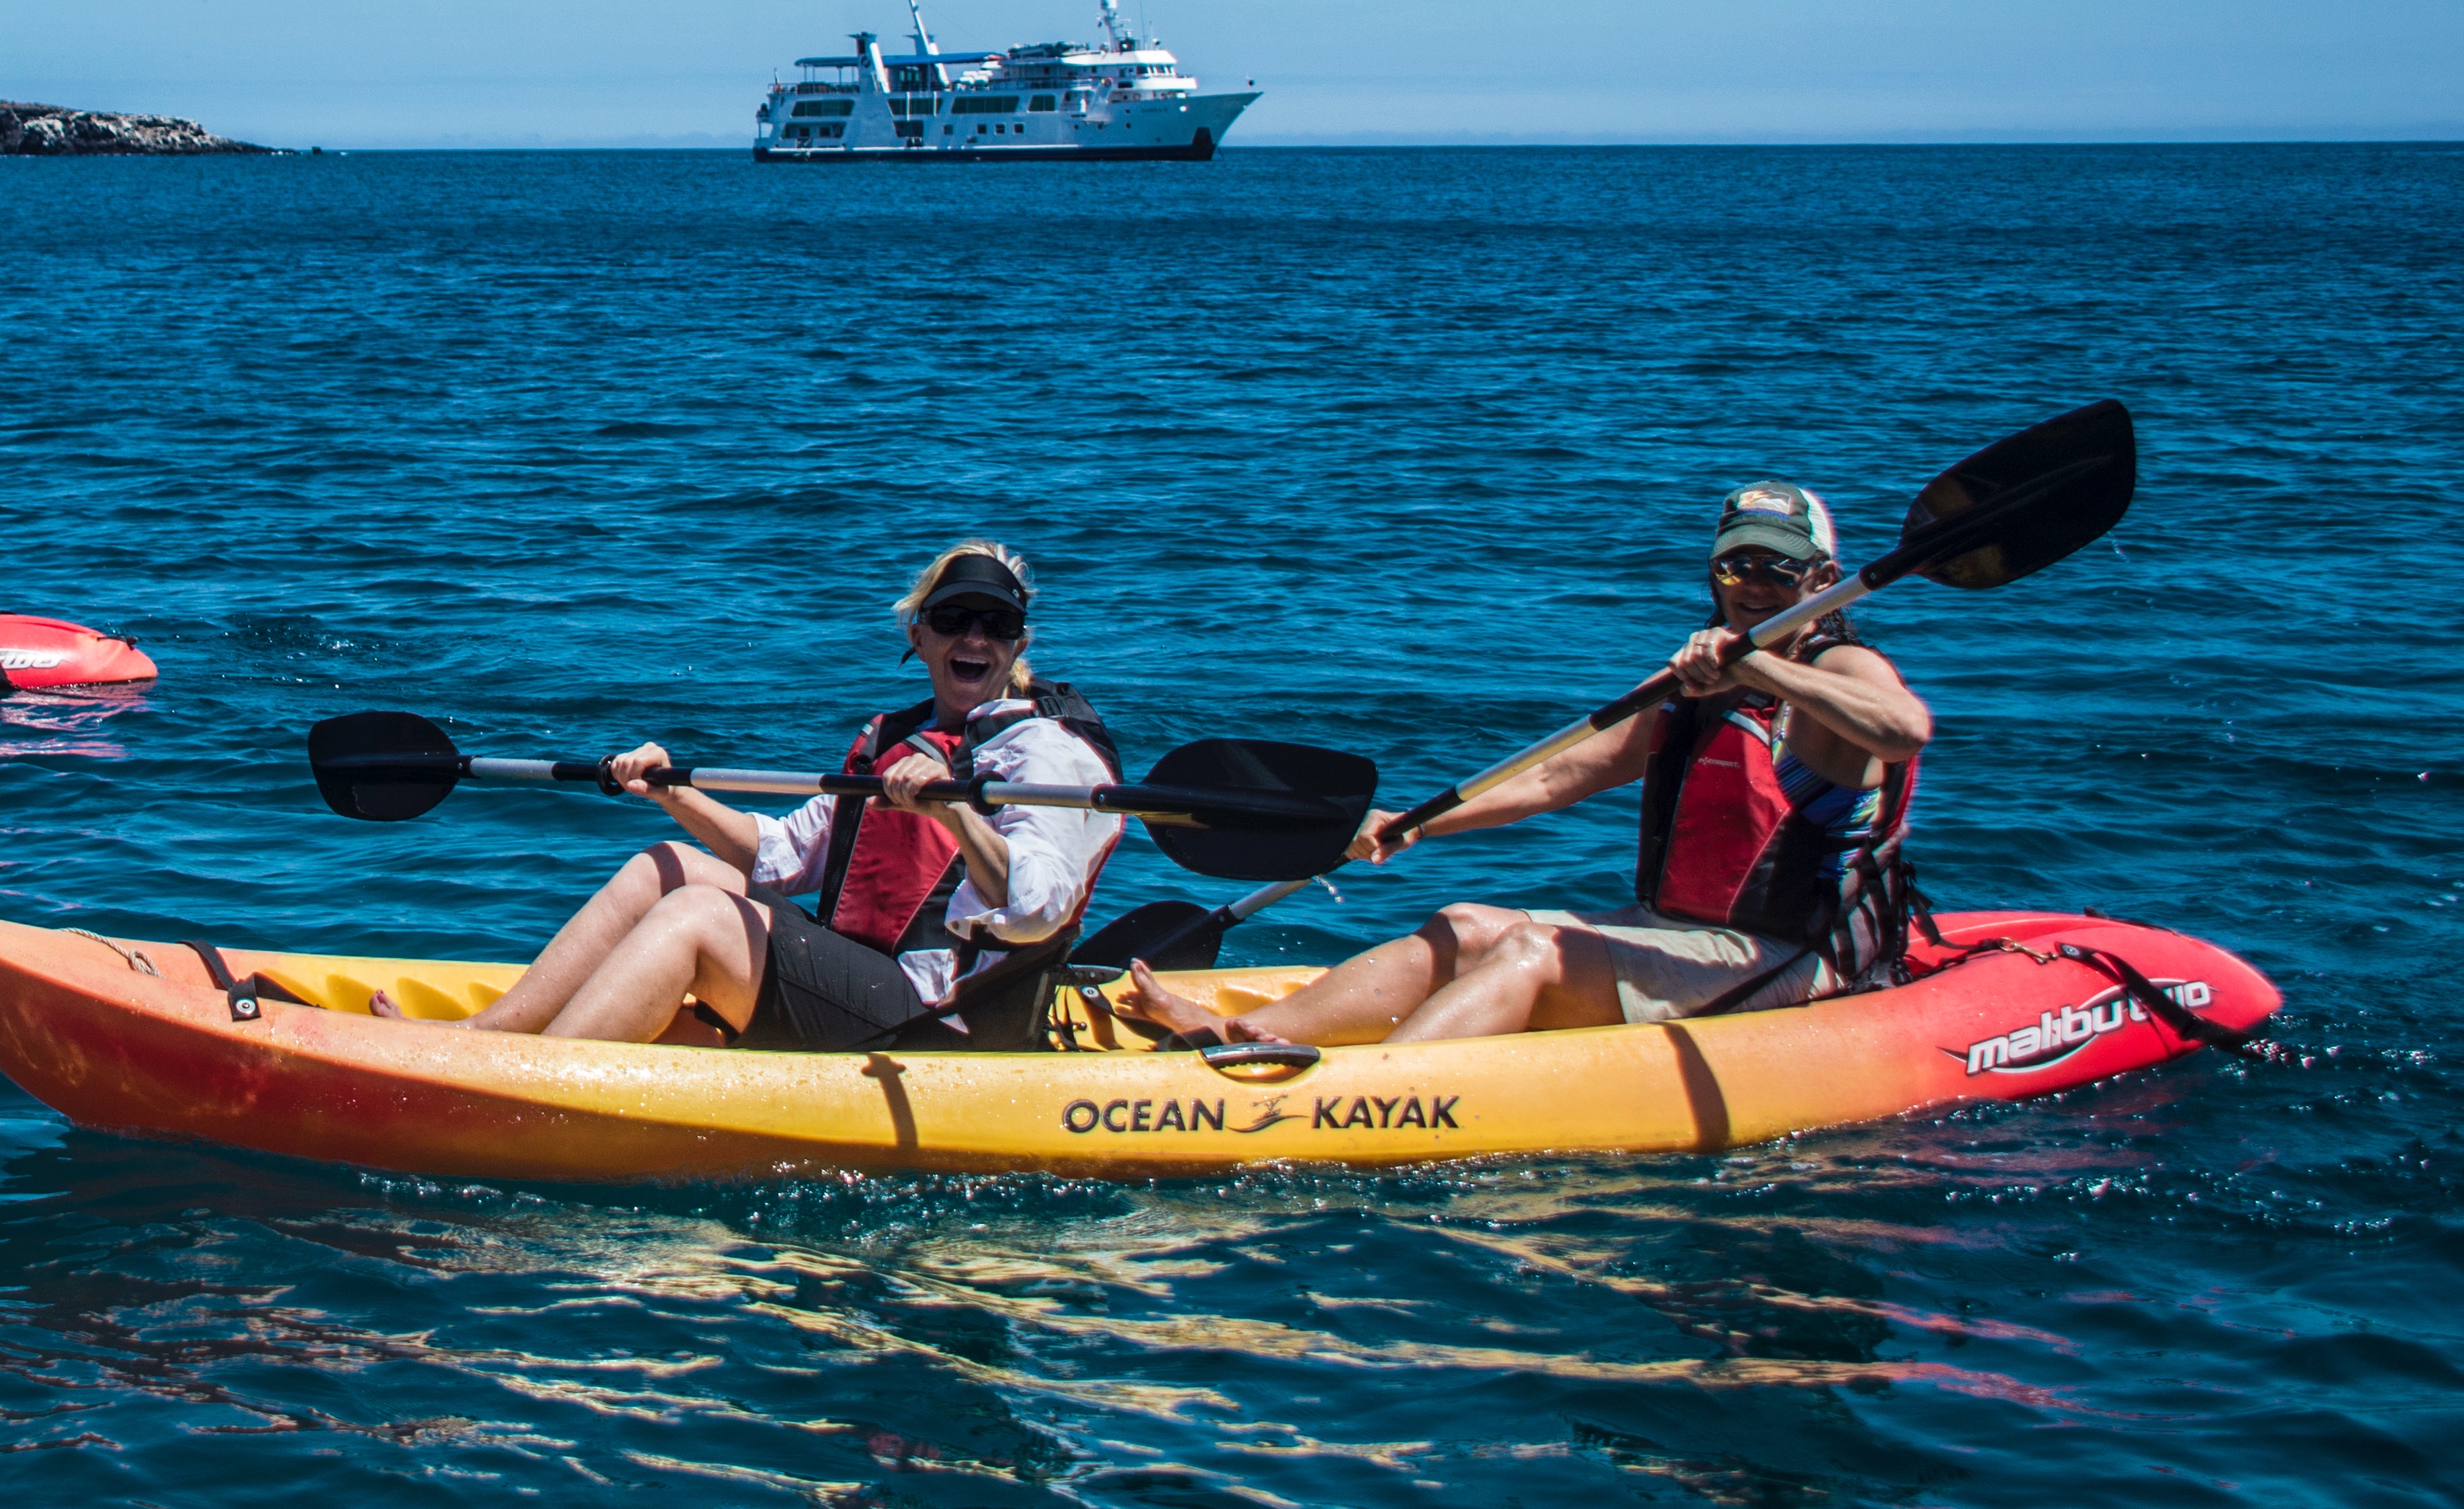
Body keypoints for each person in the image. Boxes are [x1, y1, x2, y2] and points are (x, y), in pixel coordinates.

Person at [1129, 479, 1935, 1051]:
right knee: (1465, 925)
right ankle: (1241, 1039)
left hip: (1786, 956)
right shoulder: (1693, 690)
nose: (1752, 586)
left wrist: (1759, 670)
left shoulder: (1837, 671)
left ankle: (1366, 1092)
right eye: (1735, 567)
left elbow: (1903, 730)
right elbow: (1556, 776)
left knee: (1532, 953)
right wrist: (1410, 827)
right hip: (1678, 934)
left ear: (1823, 582)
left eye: (1777, 570)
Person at [427, 545, 1129, 1049]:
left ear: (1017, 644)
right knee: (667, 864)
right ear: (917, 634)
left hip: (942, 1026)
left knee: (702, 915)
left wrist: (953, 812)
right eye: (953, 619)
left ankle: (529, 1082)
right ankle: (486, 1039)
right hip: (868, 983)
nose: (974, 636)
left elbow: (1037, 910)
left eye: (996, 625)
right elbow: (783, 855)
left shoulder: (1047, 753)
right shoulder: (899, 737)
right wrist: (667, 789)